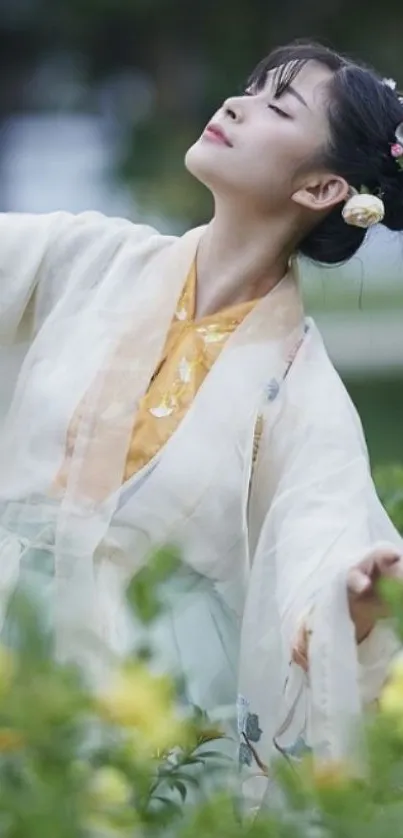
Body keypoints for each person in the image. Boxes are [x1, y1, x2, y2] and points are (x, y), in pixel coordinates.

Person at [0, 39, 402, 805]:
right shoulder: (87, 257)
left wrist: (351, 599)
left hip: (140, 710)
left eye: (277, 106)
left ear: (321, 187)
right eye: (248, 87)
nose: (236, 104)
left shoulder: (303, 394)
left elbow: (325, 541)